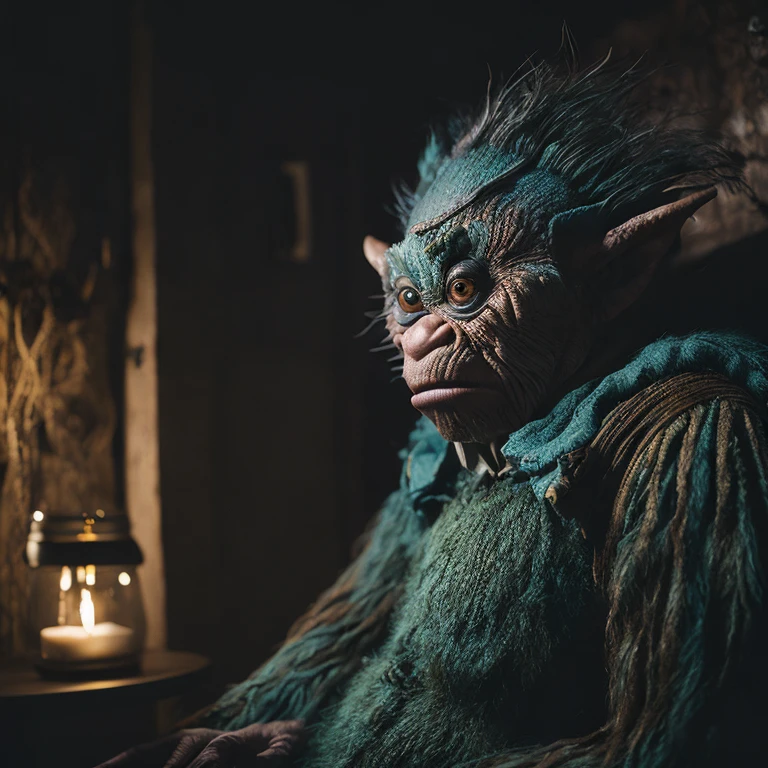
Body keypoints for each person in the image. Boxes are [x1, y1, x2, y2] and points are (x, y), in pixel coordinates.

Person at [101, 54, 768, 768]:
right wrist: (247, 729)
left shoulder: (684, 433)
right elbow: (347, 639)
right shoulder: (447, 455)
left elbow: (677, 742)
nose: (421, 338)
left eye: (462, 291)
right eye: (409, 299)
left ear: (615, 274)